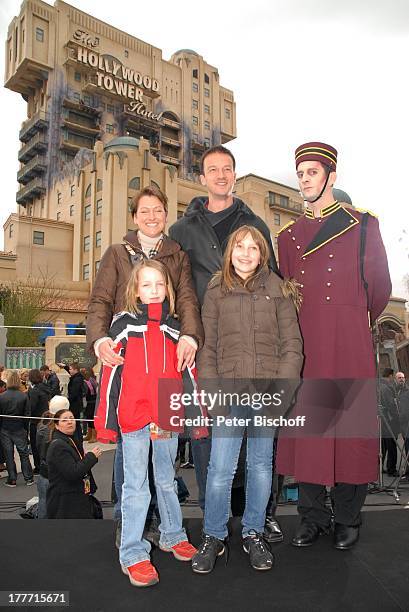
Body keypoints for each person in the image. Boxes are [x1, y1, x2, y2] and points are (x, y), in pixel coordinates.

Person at [276, 141, 391, 550]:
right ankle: (311, 517)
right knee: (310, 431)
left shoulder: (362, 225)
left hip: (349, 339)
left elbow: (379, 290)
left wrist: (353, 321)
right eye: (301, 173)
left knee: (350, 431)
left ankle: (347, 516)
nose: (305, 180)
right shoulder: (287, 237)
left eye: (312, 172)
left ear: (331, 176)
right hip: (308, 342)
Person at [169, 144, 281, 538]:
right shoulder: (181, 231)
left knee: (259, 443)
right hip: (204, 347)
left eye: (227, 169)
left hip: (253, 347)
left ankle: (258, 516)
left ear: (234, 174)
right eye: (212, 169)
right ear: (202, 178)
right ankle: (213, 522)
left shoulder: (254, 223)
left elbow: (275, 282)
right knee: (208, 439)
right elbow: (175, 288)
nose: (220, 175)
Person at [86, 185, 204, 546]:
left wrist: (190, 336)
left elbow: (187, 300)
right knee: (130, 456)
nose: (152, 217)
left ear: (166, 216)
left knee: (164, 465)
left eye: (158, 211)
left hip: (165, 367)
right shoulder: (117, 253)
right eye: (145, 211)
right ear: (135, 217)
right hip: (130, 364)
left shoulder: (177, 255)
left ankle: (168, 529)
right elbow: (100, 300)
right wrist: (100, 339)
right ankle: (129, 526)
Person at [191, 226, 303, 573]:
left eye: (253, 248)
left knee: (260, 467)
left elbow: (292, 346)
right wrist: (213, 392)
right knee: (221, 468)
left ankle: (254, 532)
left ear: (262, 254)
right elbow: (206, 348)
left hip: (267, 394)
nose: (245, 253)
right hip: (227, 391)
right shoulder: (215, 290)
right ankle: (213, 535)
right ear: (230, 252)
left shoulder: (278, 289)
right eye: (240, 246)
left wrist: (281, 395)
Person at [94, 259, 199, 588]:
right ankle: (133, 553)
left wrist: (196, 417)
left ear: (167, 288)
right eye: (146, 285)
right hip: (134, 414)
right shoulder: (122, 326)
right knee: (135, 486)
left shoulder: (175, 328)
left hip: (166, 411)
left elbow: (188, 374)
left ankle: (172, 535)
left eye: (159, 284)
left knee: (167, 481)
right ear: (135, 290)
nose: (153, 291)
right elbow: (110, 377)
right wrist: (106, 422)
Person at [46, 408, 102, 518]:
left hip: (75, 497)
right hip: (66, 502)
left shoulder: (70, 439)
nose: (69, 422)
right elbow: (72, 472)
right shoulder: (58, 445)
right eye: (64, 420)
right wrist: (91, 457)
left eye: (71, 418)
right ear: (57, 426)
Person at [0, 370, 34, 487]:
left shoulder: (2, 396)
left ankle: (12, 479)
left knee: (9, 454)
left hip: (5, 428)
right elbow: (27, 415)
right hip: (19, 427)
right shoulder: (23, 396)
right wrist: (25, 429)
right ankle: (28, 478)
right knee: (24, 454)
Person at [27, 368, 51, 474]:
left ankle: (38, 467)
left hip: (36, 420)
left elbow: (31, 406)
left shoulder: (34, 391)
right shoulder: (45, 387)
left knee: (35, 444)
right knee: (44, 444)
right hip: (45, 419)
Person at [379, 368, 399, 477]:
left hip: (382, 420)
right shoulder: (386, 388)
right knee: (391, 445)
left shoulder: (379, 385)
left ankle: (380, 467)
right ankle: (391, 468)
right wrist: (397, 416)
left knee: (383, 446)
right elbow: (391, 405)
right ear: (390, 376)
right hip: (389, 420)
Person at [57, 363, 85, 440]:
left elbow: (74, 393)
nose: (69, 371)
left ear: (76, 370)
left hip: (75, 404)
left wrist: (67, 401)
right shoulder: (76, 376)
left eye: (70, 369)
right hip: (75, 403)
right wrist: (64, 366)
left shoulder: (77, 379)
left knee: (76, 423)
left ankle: (77, 439)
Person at [36, 409, 54, 518]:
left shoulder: (40, 428)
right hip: (55, 473)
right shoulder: (55, 434)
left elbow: (38, 448)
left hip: (44, 470)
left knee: (43, 501)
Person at [394, 372, 409, 476]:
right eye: (399, 378)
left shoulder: (406, 391)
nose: (401, 379)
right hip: (403, 425)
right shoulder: (397, 391)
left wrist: (400, 419)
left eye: (403, 378)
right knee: (407, 447)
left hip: (406, 424)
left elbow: (404, 410)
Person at [82, 367, 98, 443]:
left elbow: (87, 392)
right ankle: (89, 434)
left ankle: (94, 436)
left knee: (92, 419)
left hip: (92, 402)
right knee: (89, 418)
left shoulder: (90, 380)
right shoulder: (91, 380)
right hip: (90, 401)